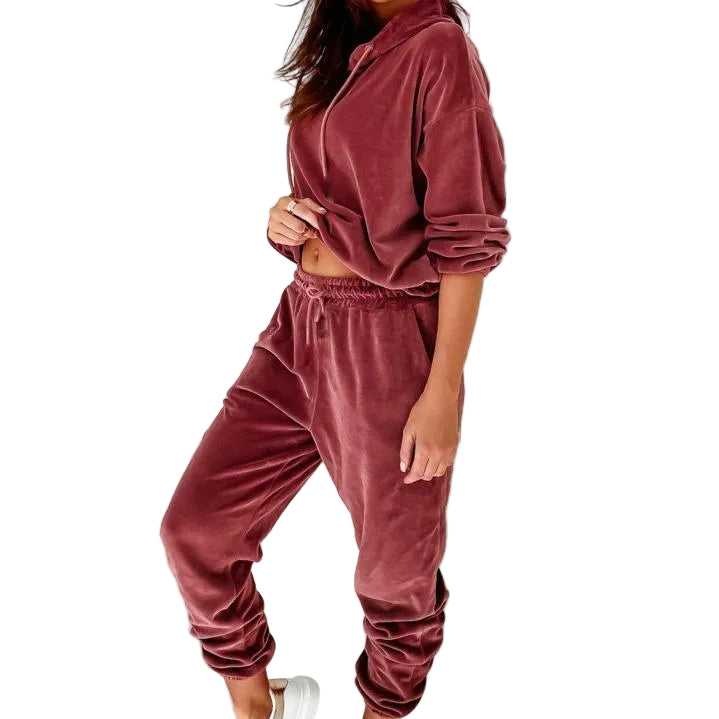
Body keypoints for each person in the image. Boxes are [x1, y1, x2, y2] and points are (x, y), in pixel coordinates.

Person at [160, 1, 511, 717]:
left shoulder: (438, 50)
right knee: (197, 529)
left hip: (388, 343)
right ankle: (258, 705)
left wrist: (441, 389)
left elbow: (467, 240)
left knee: (393, 574)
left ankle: (382, 710)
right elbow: (340, 195)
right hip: (299, 323)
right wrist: (284, 220)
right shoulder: (347, 44)